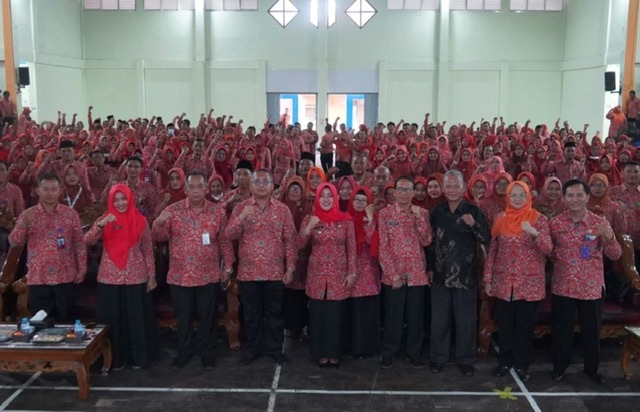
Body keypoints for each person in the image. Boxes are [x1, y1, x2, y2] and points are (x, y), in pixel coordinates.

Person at [152, 171, 234, 370]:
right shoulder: (173, 211)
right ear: (186, 189)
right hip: (180, 276)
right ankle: (184, 352)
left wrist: (228, 268)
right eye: (192, 187)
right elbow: (158, 236)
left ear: (206, 189)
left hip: (208, 275)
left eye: (200, 186)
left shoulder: (217, 213)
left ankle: (208, 353)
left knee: (208, 317)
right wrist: (159, 220)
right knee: (184, 318)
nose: (196, 190)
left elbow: (225, 243)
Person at [549, 180, 621, 384]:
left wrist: (609, 236)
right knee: (562, 330)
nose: (575, 200)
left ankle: (592, 369)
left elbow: (615, 255)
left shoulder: (600, 223)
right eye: (570, 196)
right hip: (563, 285)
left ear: (587, 197)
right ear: (564, 198)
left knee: (591, 331)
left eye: (579, 195)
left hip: (590, 287)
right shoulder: (555, 223)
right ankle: (560, 367)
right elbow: (550, 252)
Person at [225, 168, 297, 366]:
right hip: (249, 273)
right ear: (251, 185)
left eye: (265, 182)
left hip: (275, 272)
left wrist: (290, 268)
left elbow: (290, 240)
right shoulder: (241, 208)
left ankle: (275, 349)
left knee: (274, 314)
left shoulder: (282, 209)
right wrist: (241, 218)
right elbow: (229, 234)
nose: (262, 186)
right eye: (257, 182)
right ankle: (253, 349)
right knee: (251, 314)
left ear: (272, 186)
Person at [483, 181, 552, 382]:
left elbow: (548, 248)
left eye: (522, 195)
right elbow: (493, 252)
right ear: (508, 197)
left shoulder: (538, 219)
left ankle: (522, 364)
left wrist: (534, 233)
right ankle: (505, 361)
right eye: (514, 195)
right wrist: (487, 279)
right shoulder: (500, 218)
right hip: (503, 282)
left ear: (529, 196)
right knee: (505, 326)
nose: (518, 198)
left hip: (528, 285)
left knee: (524, 327)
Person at [85, 184, 157, 370]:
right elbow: (88, 240)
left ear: (129, 198)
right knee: (112, 321)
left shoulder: (141, 221)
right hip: (110, 277)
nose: (120, 203)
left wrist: (152, 276)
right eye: (116, 200)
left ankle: (137, 359)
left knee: (135, 320)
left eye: (123, 198)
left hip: (136, 276)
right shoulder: (105, 220)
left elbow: (148, 251)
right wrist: (101, 224)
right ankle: (113, 360)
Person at [428, 170, 490, 376]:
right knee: (439, 320)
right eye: (449, 186)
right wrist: (428, 268)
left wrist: (475, 224)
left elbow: (486, 238)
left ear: (464, 188)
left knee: (465, 321)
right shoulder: (436, 212)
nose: (453, 189)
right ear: (444, 188)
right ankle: (438, 358)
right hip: (439, 274)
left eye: (457, 186)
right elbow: (429, 243)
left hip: (466, 276)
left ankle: (466, 360)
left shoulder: (473, 211)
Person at [9, 173, 87, 322]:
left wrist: (82, 269)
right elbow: (14, 242)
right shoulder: (28, 214)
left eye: (53, 189)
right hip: (39, 280)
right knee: (42, 327)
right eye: (46, 189)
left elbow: (79, 243)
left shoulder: (70, 214)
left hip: (66, 278)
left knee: (67, 325)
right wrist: (24, 223)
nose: (50, 193)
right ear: (38, 191)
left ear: (60, 191)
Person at [298, 183, 356, 368]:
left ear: (335, 198)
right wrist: (309, 228)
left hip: (339, 274)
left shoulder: (345, 220)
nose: (325, 199)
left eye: (329, 195)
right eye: (322, 196)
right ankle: (320, 354)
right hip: (317, 274)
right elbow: (299, 245)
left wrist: (352, 272)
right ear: (317, 198)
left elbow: (352, 249)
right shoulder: (310, 218)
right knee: (318, 315)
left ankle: (334, 353)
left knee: (335, 316)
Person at [378, 176, 432, 369]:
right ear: (395, 192)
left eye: (408, 189)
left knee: (415, 317)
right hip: (394, 276)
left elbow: (427, 241)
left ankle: (414, 353)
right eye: (400, 190)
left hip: (417, 273)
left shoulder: (422, 213)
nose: (403, 193)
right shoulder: (385, 214)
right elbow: (383, 247)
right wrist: (393, 275)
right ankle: (389, 352)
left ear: (413, 192)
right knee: (393, 316)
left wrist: (419, 220)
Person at [347, 186, 381, 359]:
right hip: (351, 270)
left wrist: (368, 219)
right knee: (354, 312)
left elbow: (371, 241)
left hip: (369, 271)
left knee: (368, 310)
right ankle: (355, 347)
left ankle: (369, 347)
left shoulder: (374, 219)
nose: (359, 203)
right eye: (356, 200)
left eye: (363, 200)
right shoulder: (346, 218)